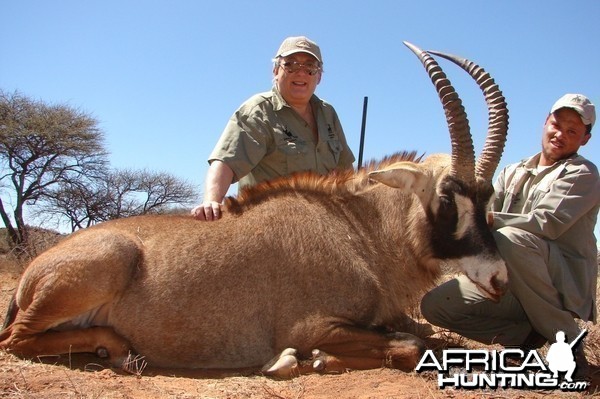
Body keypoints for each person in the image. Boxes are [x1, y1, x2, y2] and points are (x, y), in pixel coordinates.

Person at [420, 93, 599, 374]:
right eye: (557, 124)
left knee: (509, 239)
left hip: (558, 286)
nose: (560, 134)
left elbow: (545, 223)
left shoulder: (583, 174)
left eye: (572, 130)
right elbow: (484, 226)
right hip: (515, 284)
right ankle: (526, 337)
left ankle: (570, 346)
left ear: (585, 139)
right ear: (545, 122)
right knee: (435, 307)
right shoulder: (513, 171)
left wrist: (487, 218)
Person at [192, 36, 355, 221]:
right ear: (276, 70)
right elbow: (226, 162)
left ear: (319, 76)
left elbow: (346, 169)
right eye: (291, 65)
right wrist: (211, 201)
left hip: (323, 224)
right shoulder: (258, 110)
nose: (300, 73)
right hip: (270, 227)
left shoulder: (328, 113)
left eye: (310, 67)